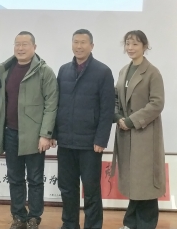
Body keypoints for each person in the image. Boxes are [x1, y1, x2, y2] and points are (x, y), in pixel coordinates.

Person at [0, 31, 58, 229]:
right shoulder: (5, 69)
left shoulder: (44, 71)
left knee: (35, 179)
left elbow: (51, 104)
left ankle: (34, 217)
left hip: (34, 136)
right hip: (10, 133)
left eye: (25, 44)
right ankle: (19, 216)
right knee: (15, 178)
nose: (20, 48)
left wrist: (45, 134)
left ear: (34, 47)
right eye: (17, 44)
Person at [52, 29, 115, 229]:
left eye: (83, 42)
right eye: (76, 42)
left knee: (91, 189)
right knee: (67, 188)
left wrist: (101, 139)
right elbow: (57, 104)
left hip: (90, 143)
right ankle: (69, 224)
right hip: (66, 142)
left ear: (91, 46)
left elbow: (107, 109)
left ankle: (93, 225)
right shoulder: (63, 70)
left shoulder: (103, 71)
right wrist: (54, 134)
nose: (79, 46)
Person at [112, 31, 166, 229]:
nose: (130, 48)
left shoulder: (152, 72)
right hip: (125, 134)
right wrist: (118, 117)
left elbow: (157, 103)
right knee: (133, 182)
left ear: (144, 46)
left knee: (145, 184)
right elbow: (115, 99)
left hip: (144, 135)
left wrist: (132, 121)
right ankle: (130, 223)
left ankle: (145, 224)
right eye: (127, 43)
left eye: (135, 44)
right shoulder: (123, 71)